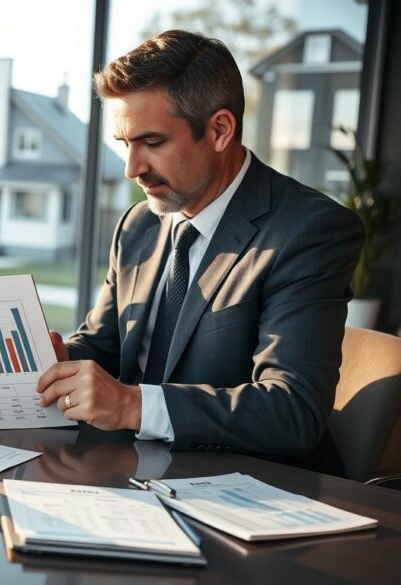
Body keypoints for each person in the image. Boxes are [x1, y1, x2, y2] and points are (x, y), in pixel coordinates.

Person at [36, 30, 364, 458]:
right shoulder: (138, 225)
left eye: (152, 143)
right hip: (125, 473)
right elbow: (103, 347)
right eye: (125, 144)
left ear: (220, 130)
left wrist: (132, 405)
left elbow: (292, 411)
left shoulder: (309, 231)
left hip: (246, 492)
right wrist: (58, 358)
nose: (132, 168)